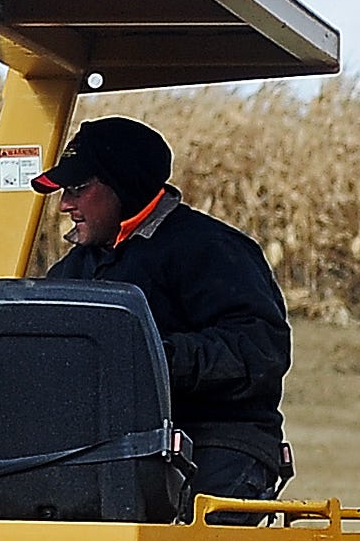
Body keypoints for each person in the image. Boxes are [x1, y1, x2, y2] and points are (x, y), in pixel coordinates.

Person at [32, 117, 293, 503]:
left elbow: (258, 353)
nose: (64, 205)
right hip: (108, 452)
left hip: (215, 442)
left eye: (78, 189)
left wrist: (150, 360)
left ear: (125, 185)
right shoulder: (71, 271)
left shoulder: (212, 250)